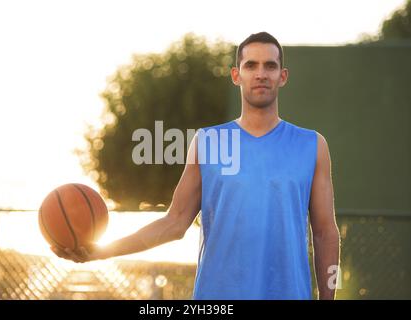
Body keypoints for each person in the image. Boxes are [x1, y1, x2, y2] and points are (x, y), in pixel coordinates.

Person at [52, 32, 340, 300]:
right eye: (251, 65)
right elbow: (174, 223)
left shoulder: (312, 145)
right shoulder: (208, 142)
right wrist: (100, 252)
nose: (261, 74)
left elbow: (326, 233)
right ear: (236, 75)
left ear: (283, 76)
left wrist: (330, 296)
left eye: (270, 66)